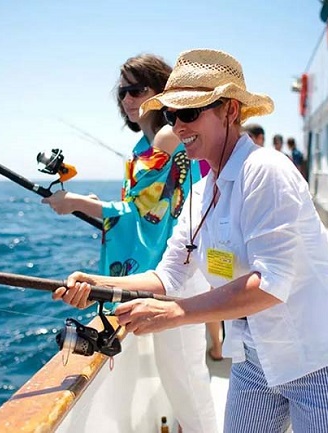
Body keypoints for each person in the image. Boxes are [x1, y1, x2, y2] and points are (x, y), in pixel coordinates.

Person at [52, 48, 328, 433]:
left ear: (230, 111)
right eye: (172, 115)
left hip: (320, 360)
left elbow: (270, 284)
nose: (179, 126)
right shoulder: (202, 192)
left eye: (190, 113)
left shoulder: (266, 171)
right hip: (256, 359)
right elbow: (167, 277)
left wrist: (176, 313)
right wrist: (98, 283)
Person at [42, 53, 218, 433]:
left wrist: (76, 202)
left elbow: (142, 205)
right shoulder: (143, 146)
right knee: (178, 377)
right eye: (122, 92)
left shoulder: (170, 135)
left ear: (161, 91)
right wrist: (80, 202)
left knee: (186, 379)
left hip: (179, 276)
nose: (127, 99)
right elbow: (140, 207)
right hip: (162, 274)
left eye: (137, 89)